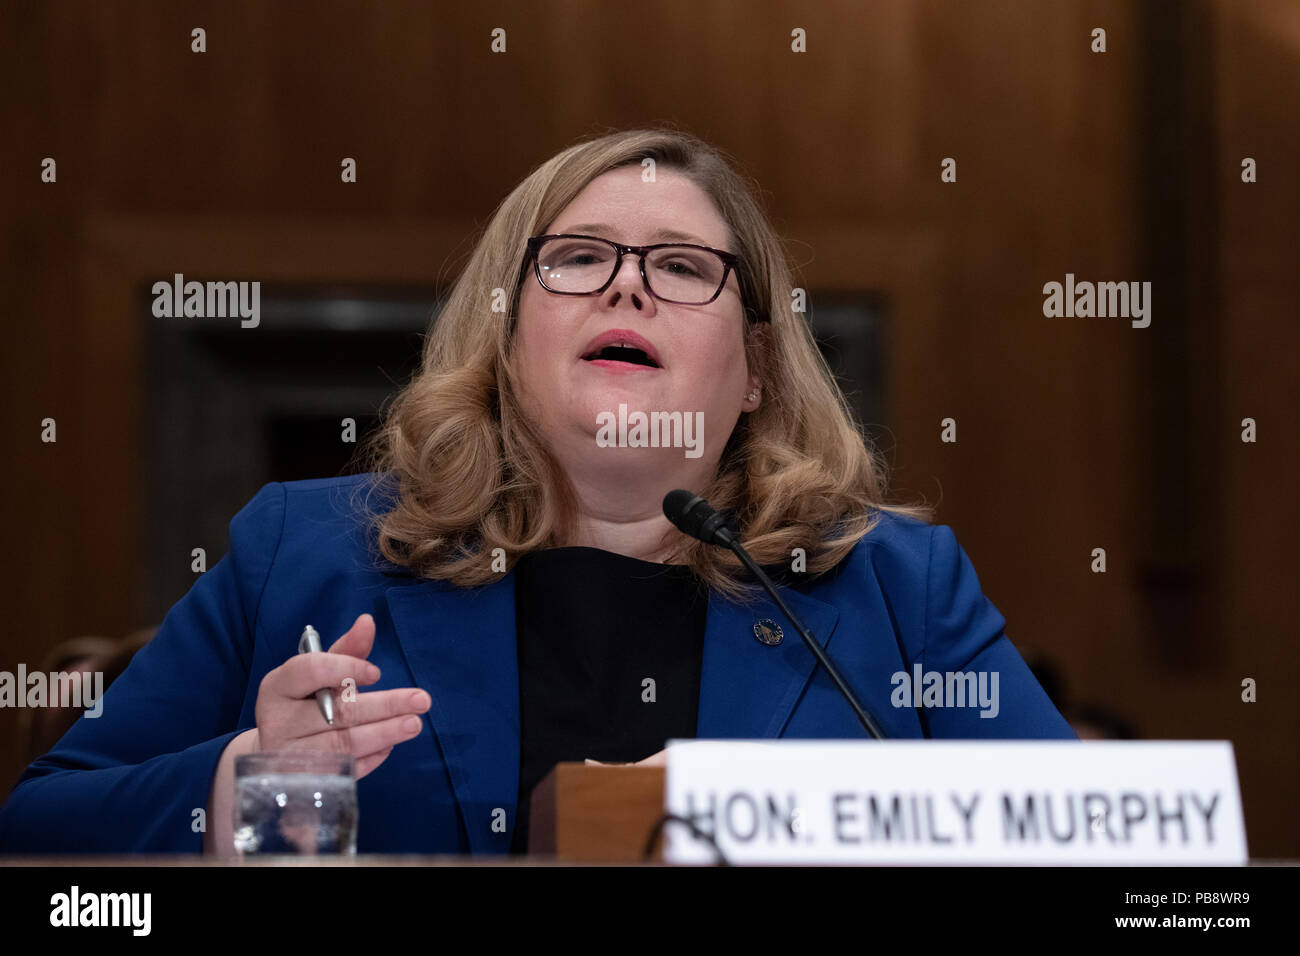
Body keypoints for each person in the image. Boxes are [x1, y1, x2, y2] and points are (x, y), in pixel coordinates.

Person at [0, 129, 1074, 857]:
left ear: (754, 369)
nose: (627, 283)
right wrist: (248, 777)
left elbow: (1095, 849)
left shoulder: (891, 583)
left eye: (683, 266)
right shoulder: (308, 552)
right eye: (577, 257)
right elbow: (39, 832)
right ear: (506, 341)